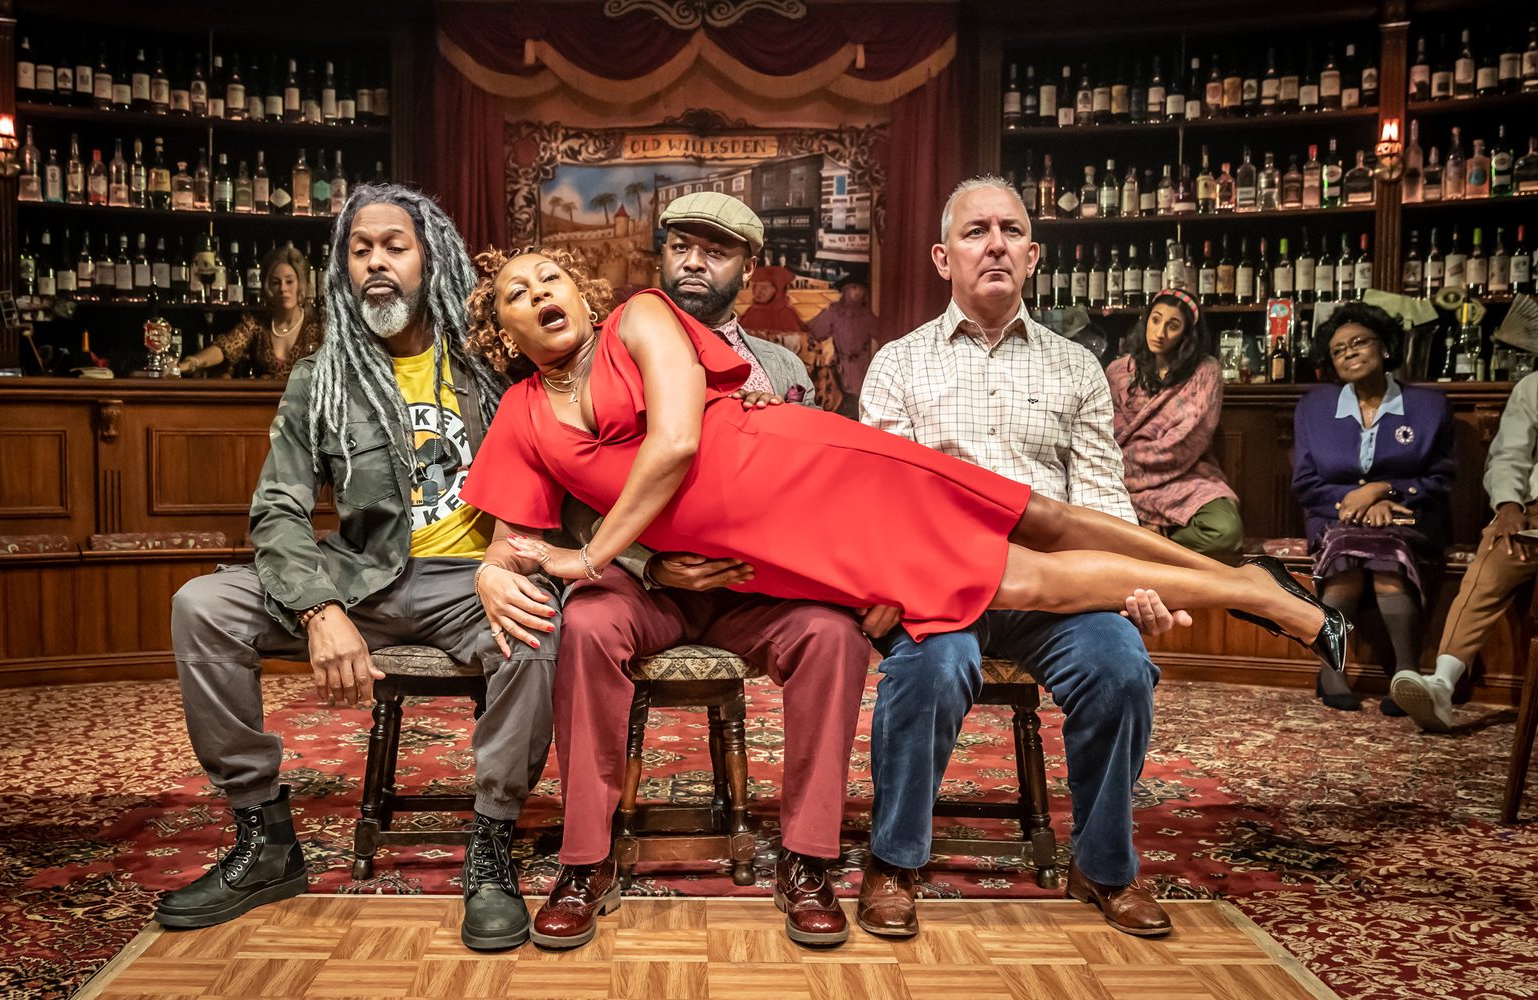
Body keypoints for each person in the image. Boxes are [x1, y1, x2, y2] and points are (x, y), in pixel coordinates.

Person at [455, 220, 1345, 701]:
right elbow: (507, 539)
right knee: (1026, 577)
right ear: (504, 330)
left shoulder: (638, 319)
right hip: (796, 540)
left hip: (817, 470)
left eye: (551, 281)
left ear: (584, 292)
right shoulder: (525, 415)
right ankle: (1258, 592)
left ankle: (1257, 590)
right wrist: (499, 576)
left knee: (1045, 518)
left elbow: (682, 440)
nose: (540, 298)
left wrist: (589, 559)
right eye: (518, 298)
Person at [157, 184, 562, 954]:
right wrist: (319, 610)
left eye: (394, 246)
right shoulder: (322, 376)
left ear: (429, 257)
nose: (376, 262)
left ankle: (492, 844)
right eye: (360, 248)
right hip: (362, 578)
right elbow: (276, 509)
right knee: (201, 605)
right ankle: (265, 837)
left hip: (474, 580)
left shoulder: (488, 365)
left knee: (536, 632)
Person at [493, 193, 870, 950]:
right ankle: (586, 860)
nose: (694, 261)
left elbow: (814, 487)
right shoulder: (612, 346)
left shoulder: (785, 366)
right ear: (659, 255)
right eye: (682, 246)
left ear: (748, 268)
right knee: (590, 620)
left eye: (717, 250)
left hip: (753, 588)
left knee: (834, 636)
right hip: (645, 584)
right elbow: (569, 504)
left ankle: (806, 858)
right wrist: (647, 559)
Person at [854, 176, 1184, 941]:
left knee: (1121, 667)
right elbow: (882, 501)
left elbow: (1101, 500)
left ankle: (1104, 865)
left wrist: (1132, 585)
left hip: (1055, 593)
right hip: (941, 586)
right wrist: (882, 584)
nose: (994, 243)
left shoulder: (1075, 369)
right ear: (943, 257)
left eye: (1010, 230)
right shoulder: (899, 365)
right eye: (975, 232)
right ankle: (894, 860)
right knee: (930, 669)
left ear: (1033, 255)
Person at [1292, 302, 1454, 713]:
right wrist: (1354, 505)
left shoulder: (1430, 407)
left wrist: (1386, 492)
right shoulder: (1312, 408)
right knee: (1345, 560)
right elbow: (1306, 483)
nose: (1348, 352)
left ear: (1384, 348)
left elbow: (1441, 478)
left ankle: (1406, 674)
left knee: (1387, 560)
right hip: (1333, 515)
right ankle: (1331, 669)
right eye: (1338, 349)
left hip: (1408, 515)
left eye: (1359, 342)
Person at [1392, 372, 1538, 731]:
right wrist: (1507, 504)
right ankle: (1442, 685)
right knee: (1491, 564)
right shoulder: (1533, 386)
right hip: (1534, 513)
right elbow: (1510, 455)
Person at [1105, 289, 1242, 562]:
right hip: (1122, 480)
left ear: (1187, 333)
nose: (1160, 332)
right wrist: (1125, 472)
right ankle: (1152, 542)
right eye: (1155, 320)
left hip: (1186, 476)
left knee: (1226, 532)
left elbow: (1188, 439)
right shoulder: (1118, 371)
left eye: (1173, 325)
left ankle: (1152, 542)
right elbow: (1108, 436)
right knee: (1093, 526)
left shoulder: (1205, 372)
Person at [178, 244, 323, 378]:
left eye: (289, 281)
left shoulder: (319, 325)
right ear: (268, 287)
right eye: (276, 282)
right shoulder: (257, 324)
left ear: (300, 285)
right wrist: (191, 363)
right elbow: (226, 346)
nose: (283, 289)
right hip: (264, 403)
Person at [806, 275, 881, 397]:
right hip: (841, 365)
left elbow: (883, 334)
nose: (857, 292)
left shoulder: (866, 315)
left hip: (862, 365)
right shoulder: (834, 312)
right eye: (853, 288)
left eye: (860, 289)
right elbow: (815, 330)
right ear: (845, 290)